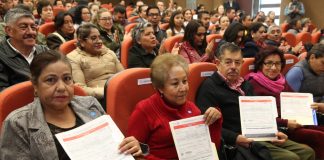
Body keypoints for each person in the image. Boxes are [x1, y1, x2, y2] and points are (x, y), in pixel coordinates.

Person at [0, 50, 143, 159]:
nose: (61, 87)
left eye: (67, 79)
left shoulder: (89, 104)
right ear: (35, 85)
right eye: (51, 80)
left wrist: (131, 147)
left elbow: (115, 147)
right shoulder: (18, 123)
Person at [196, 42, 315, 160]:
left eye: (237, 62)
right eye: (228, 62)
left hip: (260, 134)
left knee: (308, 152)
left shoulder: (246, 85)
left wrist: (274, 131)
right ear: (217, 63)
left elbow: (261, 116)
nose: (233, 66)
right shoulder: (209, 87)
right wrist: (235, 138)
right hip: (237, 141)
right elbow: (208, 127)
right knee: (290, 158)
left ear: (242, 63)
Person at [127, 54, 222, 159]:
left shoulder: (193, 109)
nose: (183, 88)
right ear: (160, 88)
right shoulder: (144, 110)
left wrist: (215, 122)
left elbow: (209, 151)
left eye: (185, 81)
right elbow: (134, 155)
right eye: (175, 84)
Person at [245, 46, 324, 159]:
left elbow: (294, 100)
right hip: (277, 126)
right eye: (269, 63)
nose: (273, 68)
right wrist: (286, 122)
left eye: (277, 64)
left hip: (292, 122)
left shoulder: (280, 80)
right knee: (319, 136)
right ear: (261, 64)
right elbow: (260, 118)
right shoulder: (253, 84)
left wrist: (308, 107)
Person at [67, 24, 124, 101]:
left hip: (119, 91)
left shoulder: (109, 52)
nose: (99, 41)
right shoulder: (73, 58)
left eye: (99, 37)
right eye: (94, 38)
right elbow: (80, 88)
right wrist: (109, 92)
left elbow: (123, 75)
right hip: (98, 99)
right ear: (82, 42)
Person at [0, 8, 48, 92]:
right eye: (23, 27)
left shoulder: (44, 51)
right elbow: (4, 96)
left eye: (33, 27)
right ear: (9, 31)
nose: (31, 32)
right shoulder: (2, 55)